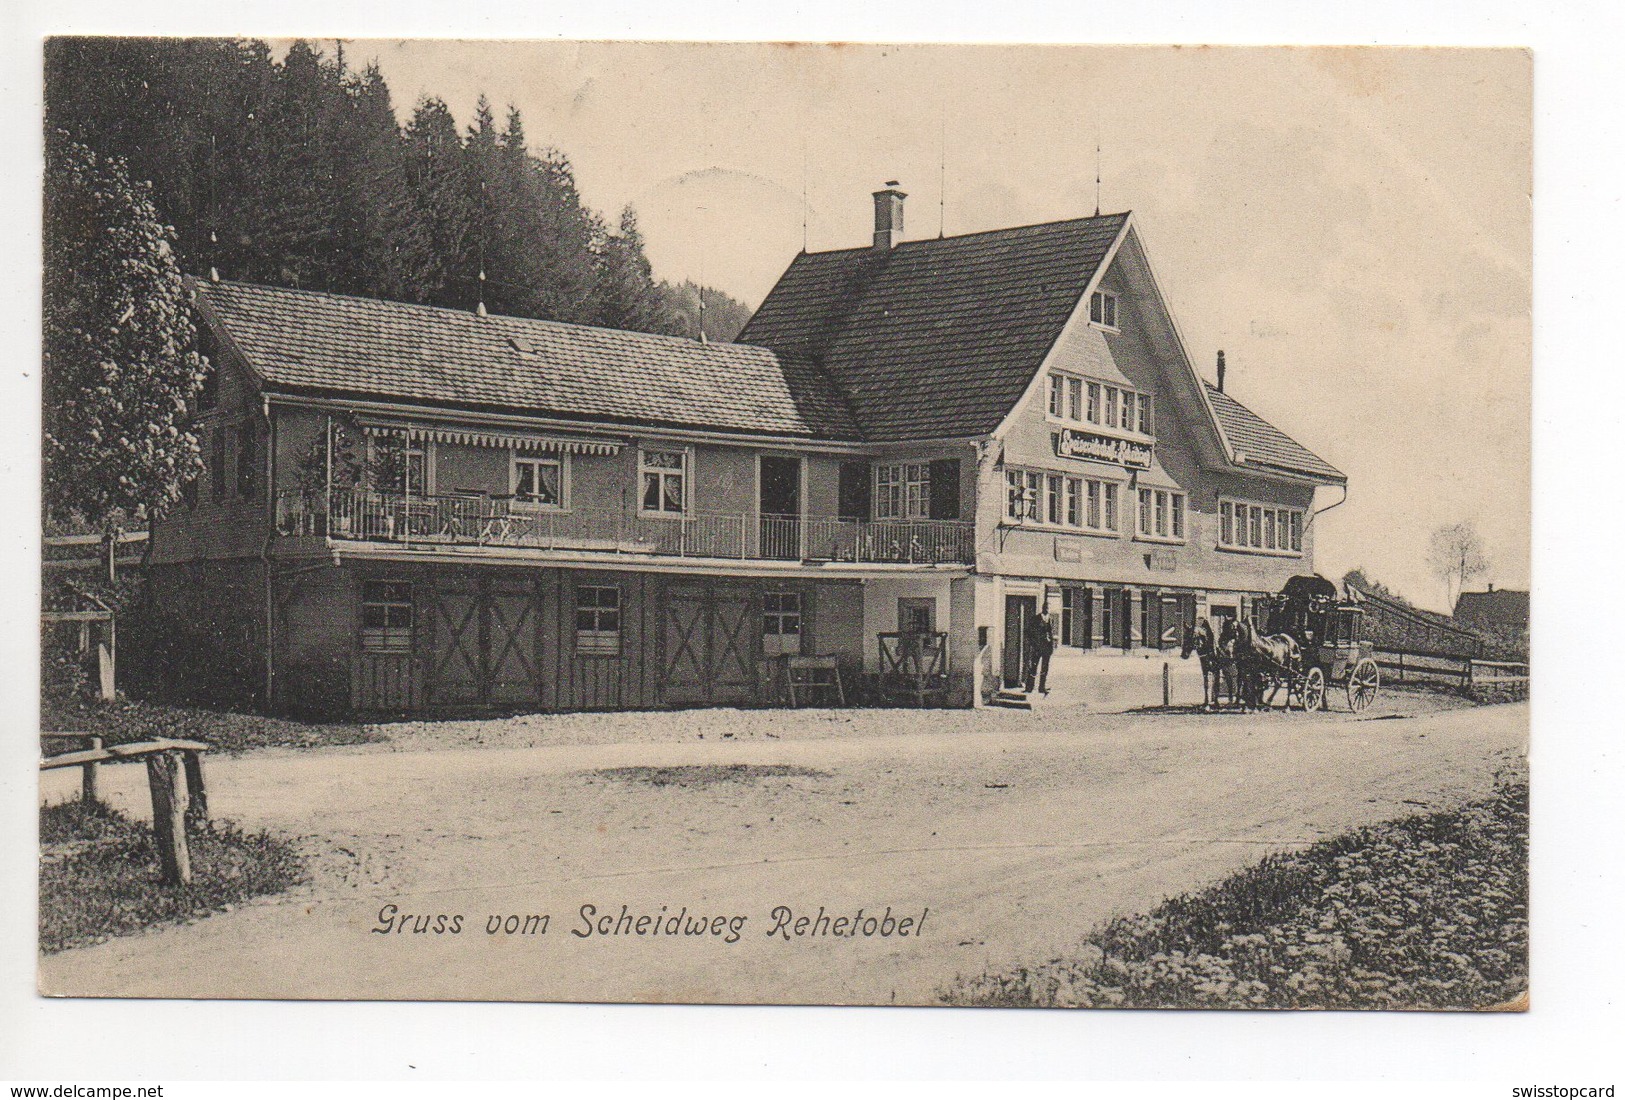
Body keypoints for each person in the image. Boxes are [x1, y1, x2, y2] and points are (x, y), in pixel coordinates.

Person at [1023, 605, 1056, 694]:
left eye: (1048, 608)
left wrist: (1052, 645)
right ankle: (1029, 688)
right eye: (1045, 608)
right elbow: (1029, 632)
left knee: (1045, 668)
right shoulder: (1036, 619)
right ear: (1042, 608)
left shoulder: (1051, 619)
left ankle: (1042, 687)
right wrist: (1033, 643)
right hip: (1037, 647)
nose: (1047, 609)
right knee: (1033, 667)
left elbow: (1052, 633)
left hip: (1047, 648)